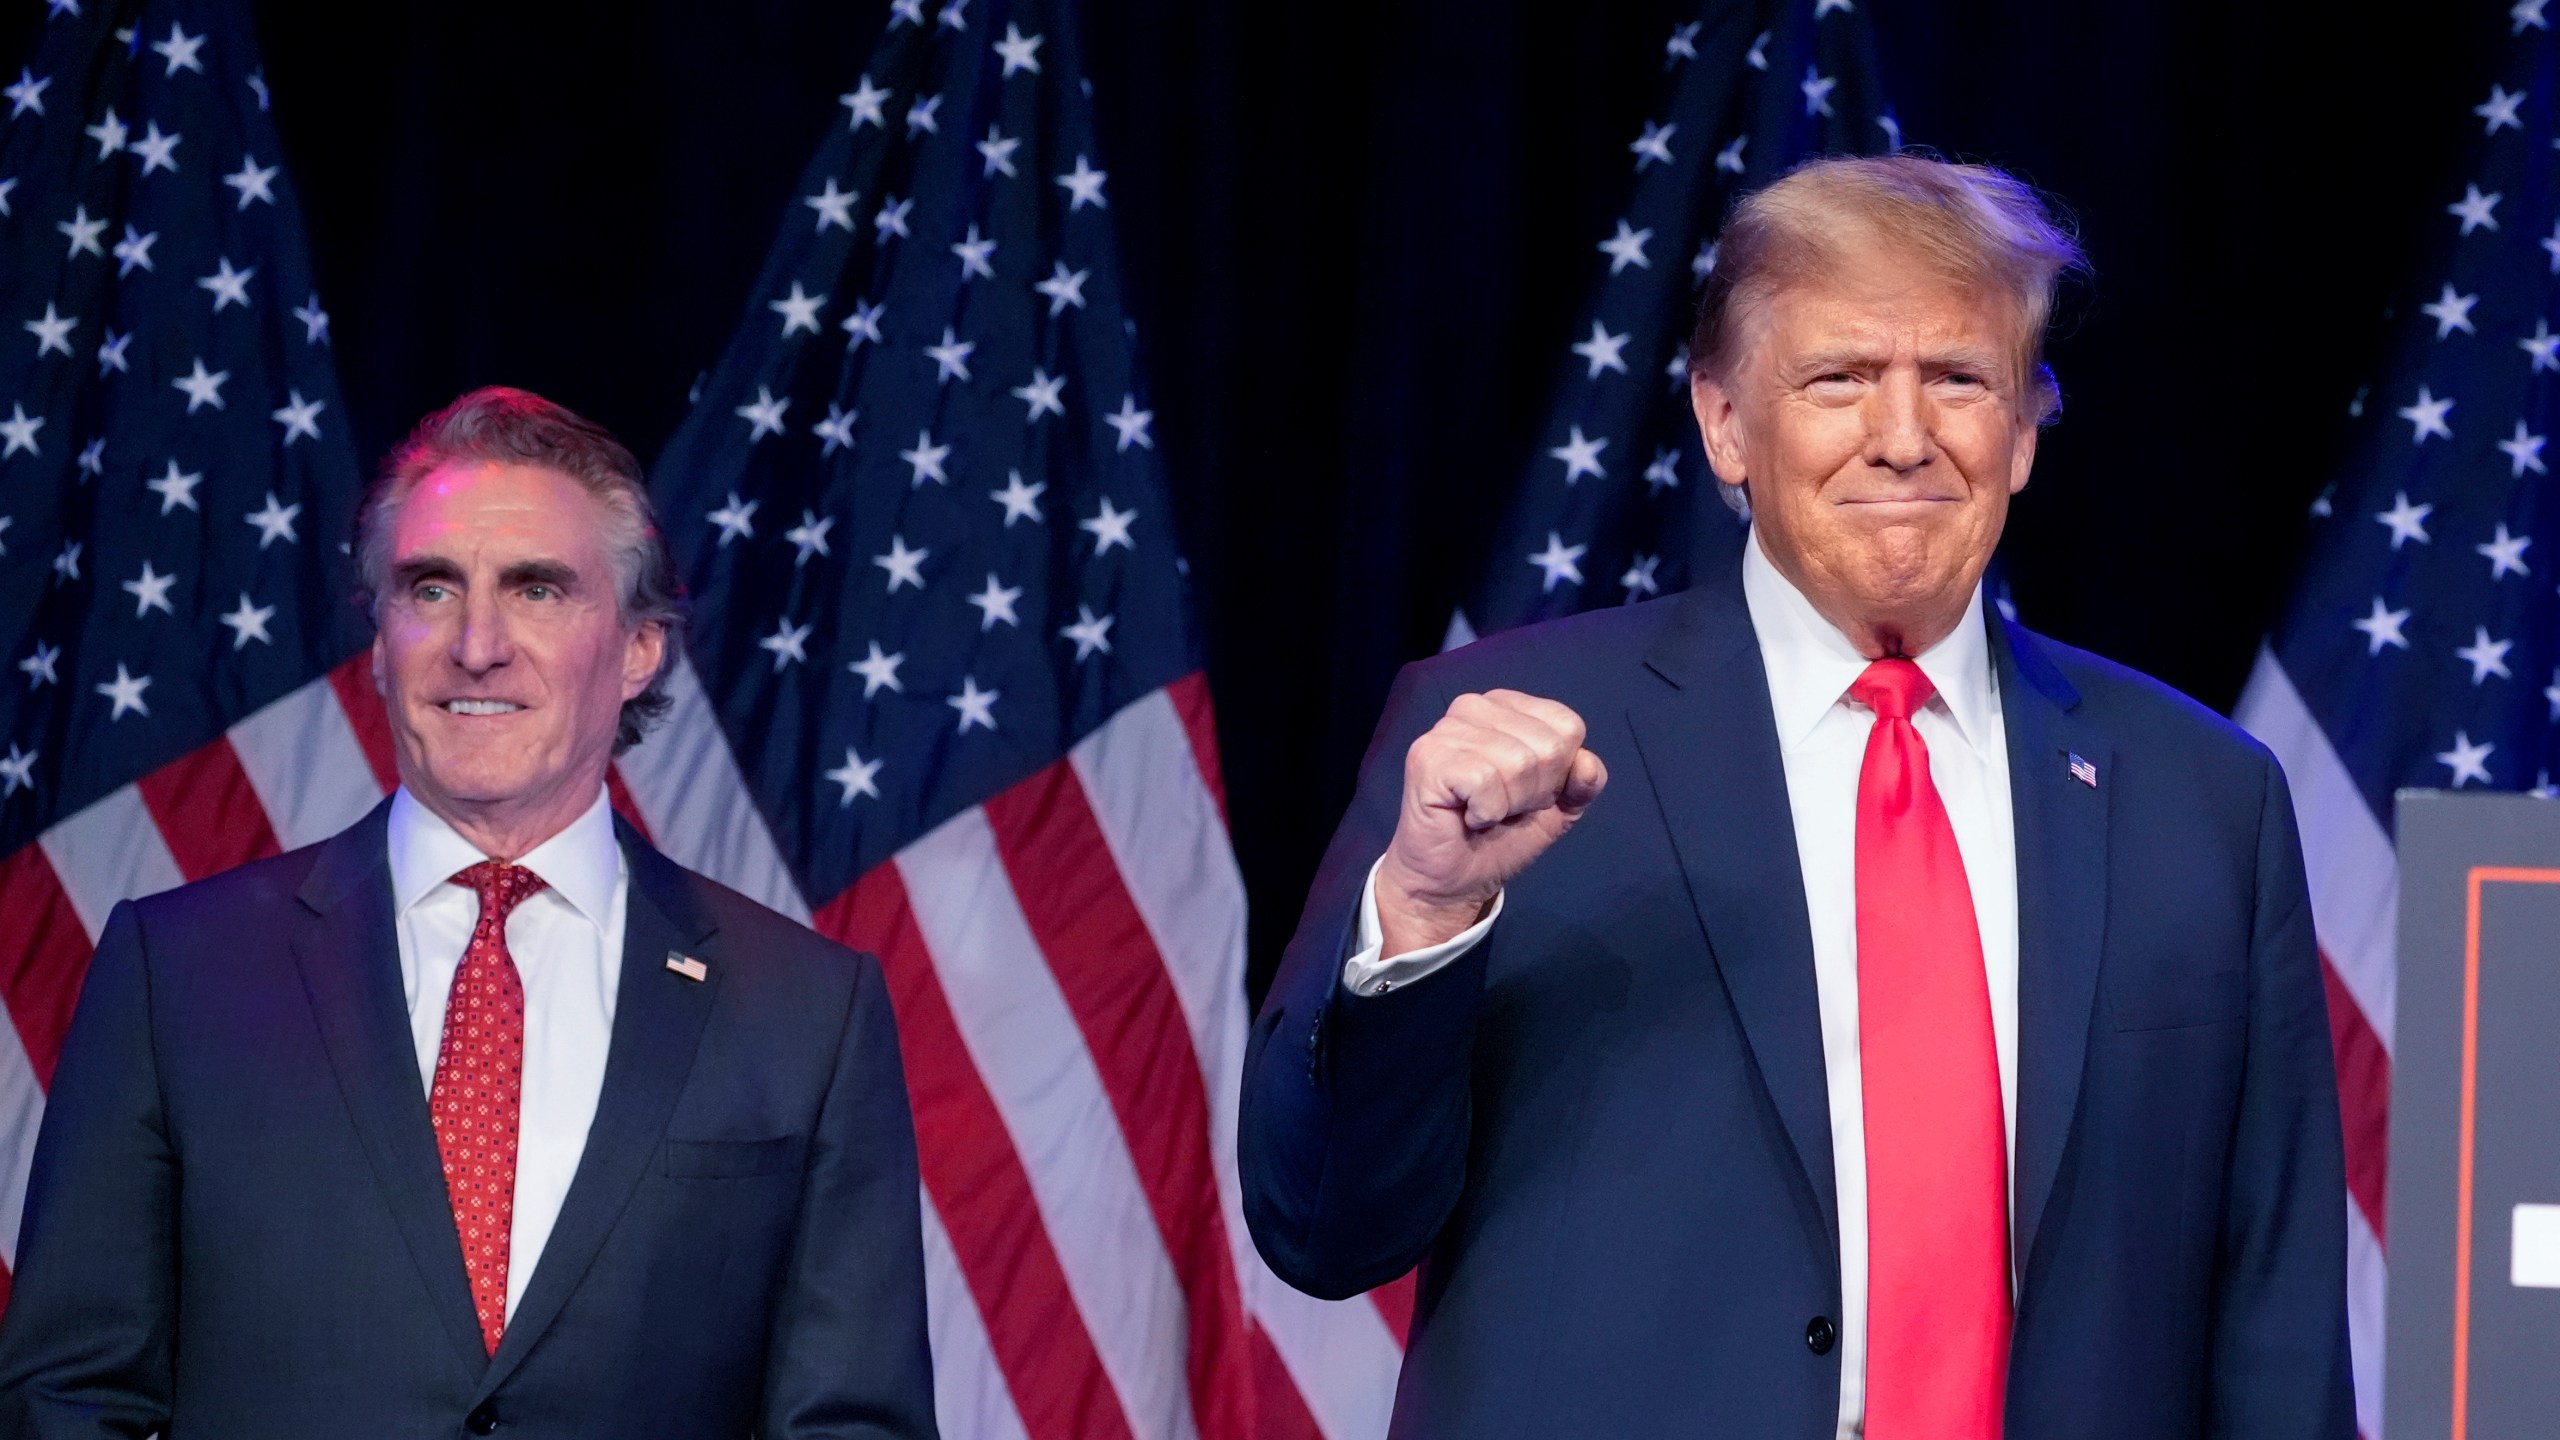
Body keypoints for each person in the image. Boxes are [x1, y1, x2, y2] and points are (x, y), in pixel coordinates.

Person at [1239, 156, 2353, 1438]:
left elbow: (2274, 1318)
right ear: (1724, 424)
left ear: (2027, 431)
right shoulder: (1501, 744)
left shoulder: (2202, 797)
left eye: (1958, 379)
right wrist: (1427, 909)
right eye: (1838, 379)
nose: (1901, 433)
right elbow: (1319, 1230)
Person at [0, 388, 937, 1438]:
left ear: (637, 649)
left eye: (537, 590)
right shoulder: (174, 972)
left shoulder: (808, 1012)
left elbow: (851, 1424)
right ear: (379, 642)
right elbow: (70, 1399)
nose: (477, 643)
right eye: (431, 588)